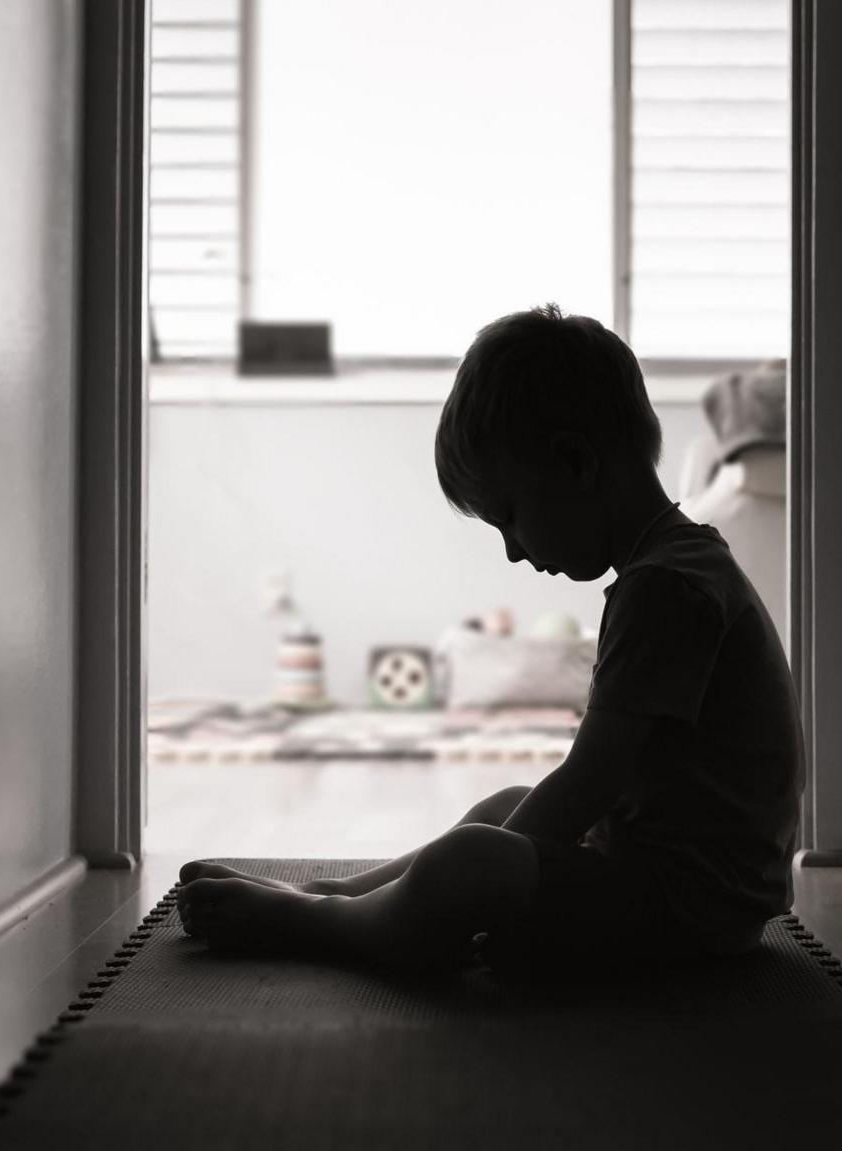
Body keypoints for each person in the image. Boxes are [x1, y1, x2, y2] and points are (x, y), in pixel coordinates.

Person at [177, 305, 803, 976]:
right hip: (682, 885)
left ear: (575, 462)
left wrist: (487, 882)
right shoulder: (680, 567)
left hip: (688, 912)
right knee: (502, 809)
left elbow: (590, 781)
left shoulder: (665, 589)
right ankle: (335, 894)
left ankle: (321, 923)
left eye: (510, 517)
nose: (511, 550)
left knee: (475, 857)